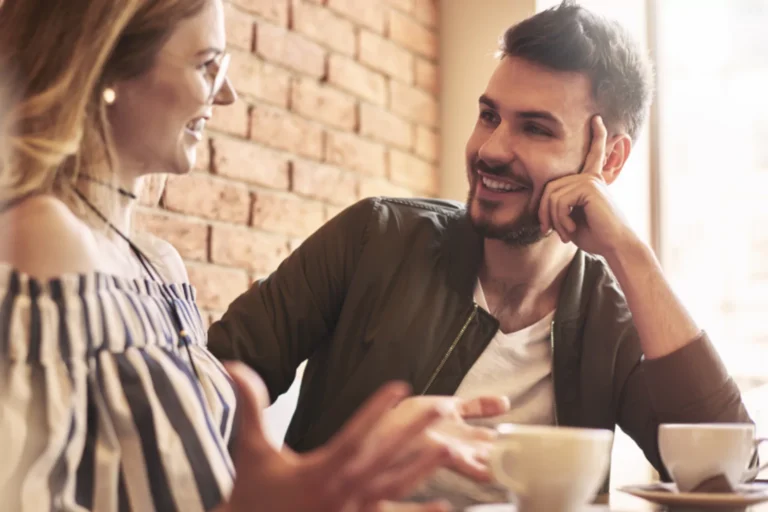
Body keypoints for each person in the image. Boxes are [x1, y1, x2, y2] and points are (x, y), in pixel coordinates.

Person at [206, 0, 754, 507]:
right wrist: (337, 464)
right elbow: (200, 389)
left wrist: (629, 251)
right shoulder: (374, 237)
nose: (490, 150)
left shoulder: (614, 319)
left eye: (535, 128)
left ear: (607, 160)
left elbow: (725, 479)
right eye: (489, 115)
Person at [0, 0, 511, 510]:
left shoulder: (158, 265)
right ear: (105, 64)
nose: (226, 94)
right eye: (206, 65)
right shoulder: (45, 241)